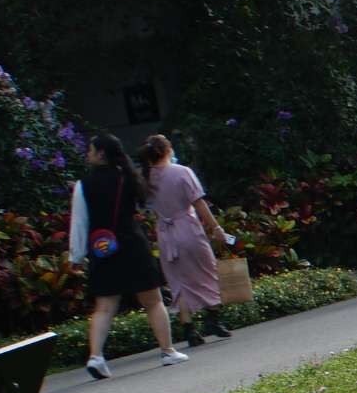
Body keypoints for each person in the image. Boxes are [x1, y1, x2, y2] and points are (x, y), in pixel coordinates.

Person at [67, 134, 185, 379]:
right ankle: (167, 350)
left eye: (90, 150)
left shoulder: (83, 185)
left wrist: (76, 256)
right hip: (132, 244)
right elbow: (144, 206)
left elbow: (79, 223)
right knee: (153, 301)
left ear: (101, 154)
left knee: (105, 306)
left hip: (103, 248)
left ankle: (96, 357)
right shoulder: (129, 178)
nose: (88, 154)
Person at [139, 134, 236, 343]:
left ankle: (188, 328)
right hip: (187, 228)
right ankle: (213, 318)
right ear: (167, 150)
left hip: (165, 233)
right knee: (207, 272)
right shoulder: (182, 172)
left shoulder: (147, 178)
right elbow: (199, 204)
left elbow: (152, 211)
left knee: (178, 281)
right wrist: (216, 228)